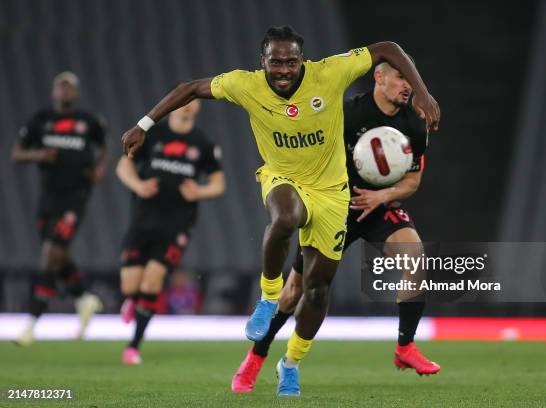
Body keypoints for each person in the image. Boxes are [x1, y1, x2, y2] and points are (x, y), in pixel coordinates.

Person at [121, 26, 440, 396]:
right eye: (276, 62)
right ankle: (266, 300)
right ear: (263, 62)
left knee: (318, 291)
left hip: (335, 195)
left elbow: (387, 46)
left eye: (291, 61)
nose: (284, 69)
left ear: (302, 60)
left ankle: (291, 363)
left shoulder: (337, 78)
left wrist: (423, 93)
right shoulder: (247, 85)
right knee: (285, 223)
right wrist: (143, 124)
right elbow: (191, 88)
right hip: (284, 179)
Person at [231, 62, 440, 393]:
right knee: (296, 291)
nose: (408, 85)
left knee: (415, 257)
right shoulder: (345, 112)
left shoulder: (414, 122)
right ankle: (257, 354)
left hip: (376, 204)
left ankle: (404, 348)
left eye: (410, 79)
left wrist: (381, 195)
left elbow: (413, 180)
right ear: (379, 76)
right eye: (400, 76)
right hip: (333, 205)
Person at [116, 99, 224, 365]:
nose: (187, 106)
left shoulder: (204, 144)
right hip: (143, 218)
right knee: (131, 285)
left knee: (153, 279)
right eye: (183, 102)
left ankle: (133, 346)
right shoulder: (153, 135)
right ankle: (133, 299)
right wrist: (138, 185)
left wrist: (200, 191)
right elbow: (123, 165)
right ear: (173, 105)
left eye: (192, 102)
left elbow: (218, 184)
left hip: (178, 223)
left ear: (198, 107)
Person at [11, 71, 106, 346]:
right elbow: (16, 153)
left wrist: (99, 167)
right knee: (59, 254)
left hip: (74, 197)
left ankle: (31, 323)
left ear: (75, 93)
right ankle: (84, 297)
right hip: (48, 199)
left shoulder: (87, 121)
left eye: (69, 87)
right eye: (60, 87)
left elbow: (105, 144)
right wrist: (39, 154)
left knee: (51, 253)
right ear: (54, 92)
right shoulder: (41, 120)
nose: (65, 91)